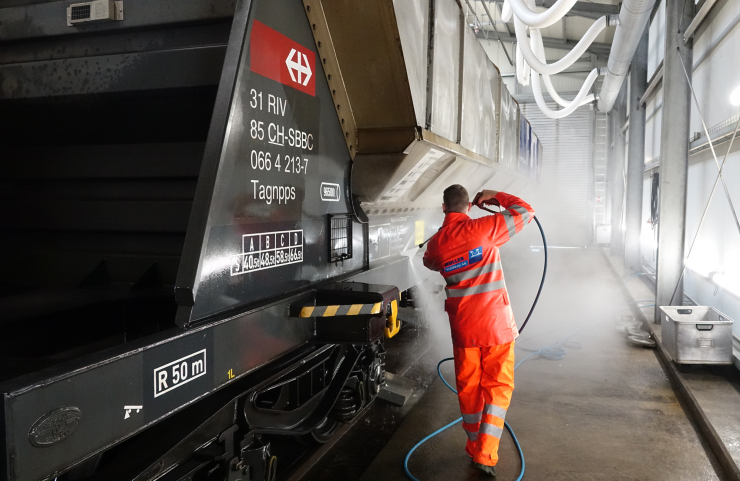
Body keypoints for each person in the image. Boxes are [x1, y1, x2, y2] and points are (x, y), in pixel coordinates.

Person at [422, 184, 535, 477]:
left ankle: (475, 445)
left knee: (470, 389)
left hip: (464, 331)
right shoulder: (486, 229)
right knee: (497, 388)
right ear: (469, 206)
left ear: (444, 208)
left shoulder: (436, 244)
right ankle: (485, 455)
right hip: (496, 327)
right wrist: (496, 197)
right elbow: (526, 211)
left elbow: (429, 261)